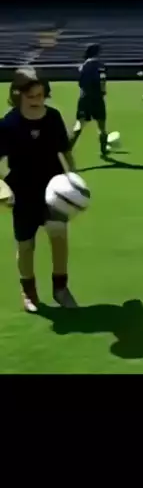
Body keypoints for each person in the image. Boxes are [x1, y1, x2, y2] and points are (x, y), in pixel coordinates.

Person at [0, 67, 78, 313]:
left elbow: (65, 152)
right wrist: (3, 188)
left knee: (59, 237)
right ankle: (29, 292)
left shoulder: (53, 118)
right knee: (26, 245)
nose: (37, 101)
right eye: (31, 96)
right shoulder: (8, 124)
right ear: (18, 94)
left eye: (41, 95)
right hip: (22, 191)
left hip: (54, 189)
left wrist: (73, 178)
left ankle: (61, 289)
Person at [70, 43, 108, 157]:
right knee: (102, 127)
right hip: (97, 99)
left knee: (79, 126)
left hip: (84, 99)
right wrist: (103, 91)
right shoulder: (101, 65)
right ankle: (103, 150)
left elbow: (80, 83)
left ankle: (67, 149)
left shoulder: (83, 66)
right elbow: (102, 80)